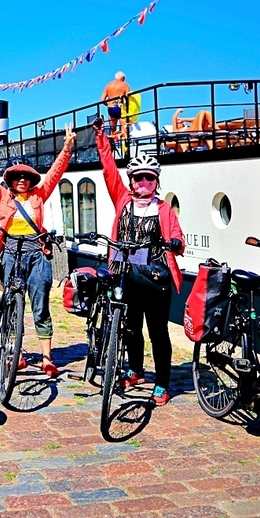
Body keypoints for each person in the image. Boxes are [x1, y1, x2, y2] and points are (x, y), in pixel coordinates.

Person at [0, 120, 76, 378]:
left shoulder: (39, 195)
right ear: (11, 179)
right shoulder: (1, 195)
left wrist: (67, 147)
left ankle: (47, 358)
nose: (22, 179)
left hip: (37, 252)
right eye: (17, 176)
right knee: (13, 302)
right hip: (11, 251)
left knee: (40, 305)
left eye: (26, 175)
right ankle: (16, 354)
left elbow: (56, 173)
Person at [93, 115, 185, 405]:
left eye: (149, 177)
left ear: (156, 181)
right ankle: (135, 370)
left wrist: (176, 243)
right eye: (138, 177)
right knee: (130, 326)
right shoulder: (123, 200)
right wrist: (101, 137)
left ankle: (162, 382)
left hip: (155, 276)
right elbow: (109, 169)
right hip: (124, 272)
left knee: (158, 331)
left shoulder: (165, 208)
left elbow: (178, 240)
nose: (143, 182)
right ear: (131, 181)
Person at [100, 71, 132, 142]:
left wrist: (109, 104)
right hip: (121, 108)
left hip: (111, 109)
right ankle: (126, 151)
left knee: (112, 130)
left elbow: (102, 100)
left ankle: (112, 149)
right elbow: (130, 99)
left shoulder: (108, 85)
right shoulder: (125, 85)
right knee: (124, 129)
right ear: (122, 78)